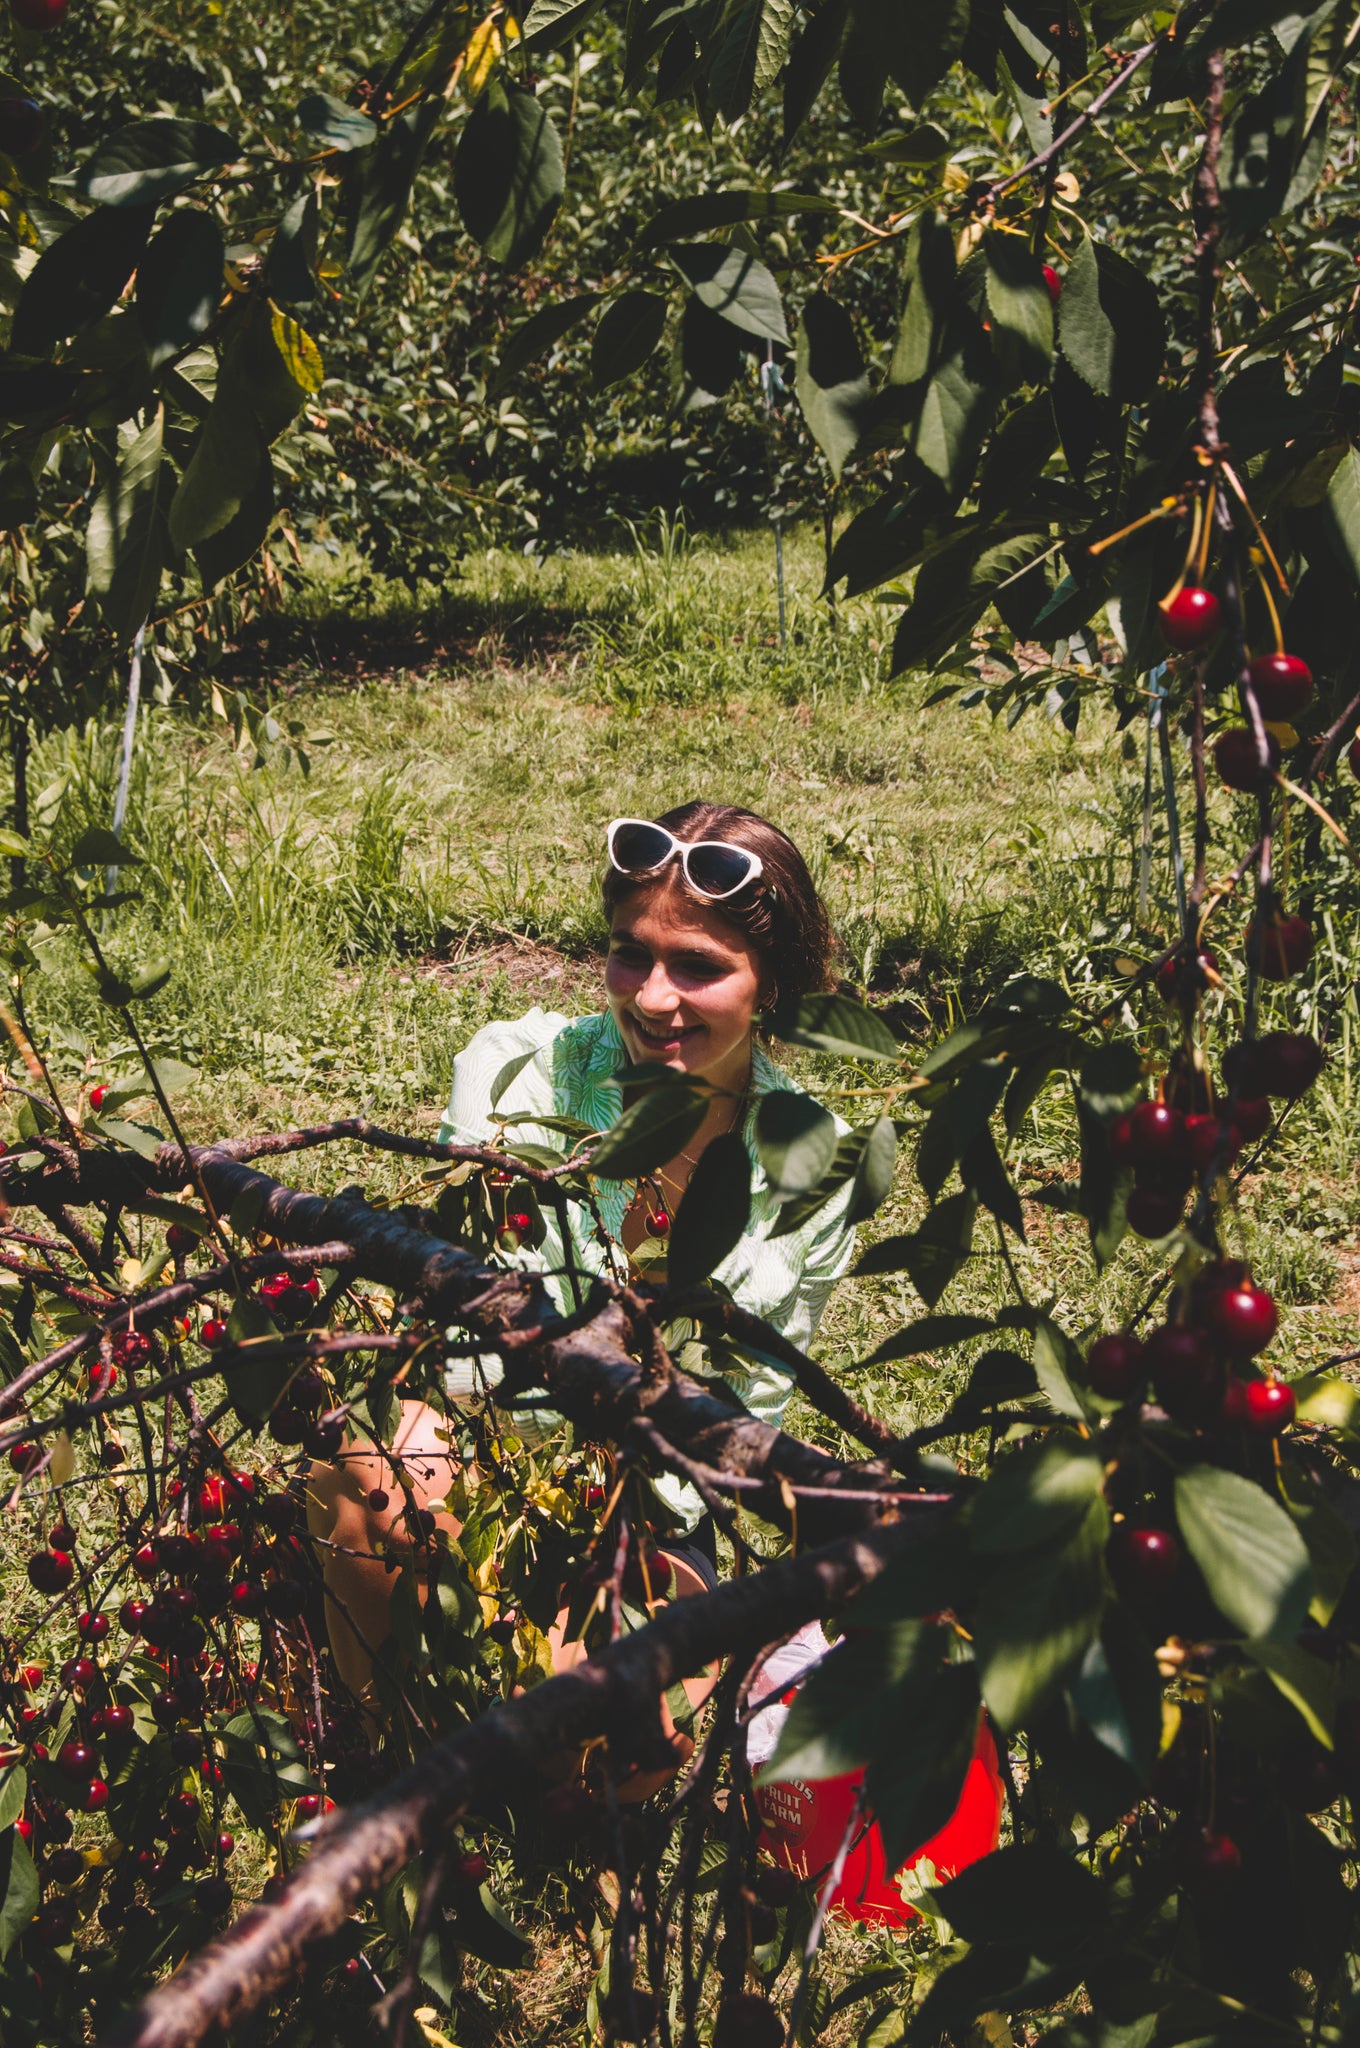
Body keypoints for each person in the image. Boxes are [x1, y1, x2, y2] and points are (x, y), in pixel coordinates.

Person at [307, 803, 860, 1726]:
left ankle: (522, 1755)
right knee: (369, 1472)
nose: (651, 996)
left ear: (772, 987)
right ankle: (391, 1751)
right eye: (630, 953)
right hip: (492, 1460)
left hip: (658, 1509)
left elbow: (742, 1417)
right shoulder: (518, 1077)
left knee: (616, 1733)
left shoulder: (814, 1163)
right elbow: (465, 1354)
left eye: (698, 966)